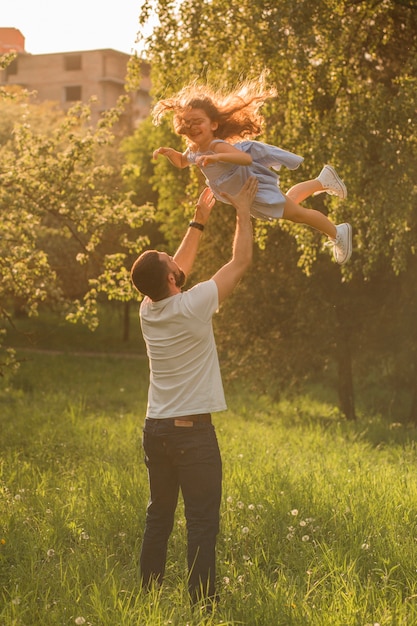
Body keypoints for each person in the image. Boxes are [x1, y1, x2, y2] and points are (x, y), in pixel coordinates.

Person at [130, 177, 258, 607]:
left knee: (159, 515)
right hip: (191, 435)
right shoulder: (195, 303)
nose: (176, 260)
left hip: (156, 430)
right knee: (202, 521)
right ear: (171, 276)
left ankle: (147, 598)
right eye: (171, 261)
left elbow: (172, 269)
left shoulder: (149, 309)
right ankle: (202, 606)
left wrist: (198, 223)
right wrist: (243, 209)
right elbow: (240, 262)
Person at [152, 78, 352, 264]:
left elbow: (244, 159)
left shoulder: (215, 146)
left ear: (213, 124)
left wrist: (217, 157)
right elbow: (181, 161)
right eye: (188, 123)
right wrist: (169, 153)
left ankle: (337, 232)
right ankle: (323, 181)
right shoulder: (195, 150)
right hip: (247, 192)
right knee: (290, 205)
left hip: (252, 187)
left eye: (198, 121)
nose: (193, 127)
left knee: (298, 214)